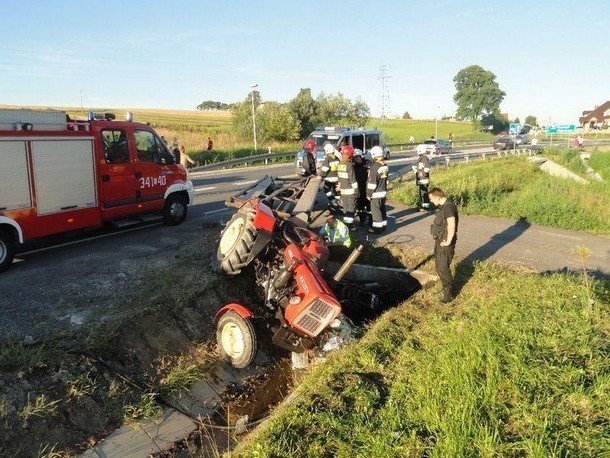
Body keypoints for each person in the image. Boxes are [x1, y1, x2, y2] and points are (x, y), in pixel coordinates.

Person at [429, 187, 459, 303]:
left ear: (438, 197)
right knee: (439, 267)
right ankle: (445, 289)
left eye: (432, 199)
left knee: (443, 267)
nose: (432, 201)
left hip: (445, 242)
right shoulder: (444, 207)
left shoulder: (448, 207)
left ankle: (448, 295)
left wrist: (448, 241)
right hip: (440, 240)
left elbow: (452, 225)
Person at [366, 146, 388, 233]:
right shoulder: (384, 165)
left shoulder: (375, 167)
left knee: (376, 211)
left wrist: (369, 193)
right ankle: (383, 226)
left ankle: (377, 229)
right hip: (383, 192)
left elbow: (372, 183)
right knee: (382, 210)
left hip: (376, 193)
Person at [337, 145, 359, 230]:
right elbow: (352, 179)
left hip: (343, 191)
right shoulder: (349, 165)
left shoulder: (340, 164)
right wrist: (356, 191)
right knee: (351, 208)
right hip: (350, 191)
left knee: (345, 209)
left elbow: (339, 178)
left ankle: (346, 225)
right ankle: (350, 226)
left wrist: (339, 186)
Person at [319, 143, 340, 208]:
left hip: (329, 178)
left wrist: (320, 175)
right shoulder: (337, 158)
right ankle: (338, 202)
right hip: (337, 178)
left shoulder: (328, 158)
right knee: (337, 191)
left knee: (326, 189)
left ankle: (332, 200)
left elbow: (325, 168)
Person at [352, 148, 370, 226]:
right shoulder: (353, 167)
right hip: (359, 190)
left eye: (357, 157)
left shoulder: (367, 164)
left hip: (367, 189)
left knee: (369, 207)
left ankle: (370, 221)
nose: (356, 159)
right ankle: (362, 220)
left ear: (361, 156)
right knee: (360, 207)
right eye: (355, 157)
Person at [412, 144, 431, 211]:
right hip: (421, 180)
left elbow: (427, 168)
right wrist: (417, 169)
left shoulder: (424, 158)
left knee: (424, 194)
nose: (416, 152)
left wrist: (418, 171)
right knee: (422, 193)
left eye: (417, 150)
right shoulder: (421, 158)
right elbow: (422, 167)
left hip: (424, 180)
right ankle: (423, 207)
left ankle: (425, 207)